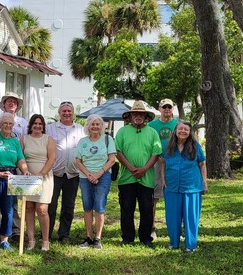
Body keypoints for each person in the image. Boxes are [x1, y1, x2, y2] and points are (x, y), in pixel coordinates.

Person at [115, 100, 161, 247]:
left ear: (145, 116)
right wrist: (130, 167)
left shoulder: (152, 132)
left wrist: (144, 169)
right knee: (127, 208)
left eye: (141, 113)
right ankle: (127, 237)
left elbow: (156, 153)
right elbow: (118, 151)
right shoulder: (122, 131)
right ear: (130, 116)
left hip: (146, 178)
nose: (138, 116)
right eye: (135, 113)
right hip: (127, 178)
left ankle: (146, 238)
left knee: (147, 209)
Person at [160, 120, 208, 252]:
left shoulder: (195, 146)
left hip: (191, 187)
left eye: (186, 129)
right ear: (175, 131)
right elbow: (162, 162)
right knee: (172, 217)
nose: (183, 131)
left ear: (189, 132)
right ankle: (173, 243)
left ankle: (190, 245)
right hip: (171, 186)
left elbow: (202, 164)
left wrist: (204, 183)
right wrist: (163, 179)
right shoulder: (167, 146)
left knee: (191, 217)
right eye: (180, 129)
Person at [0, 113, 30, 251]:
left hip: (11, 176)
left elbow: (20, 159)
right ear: (0, 125)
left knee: (9, 209)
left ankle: (5, 239)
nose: (8, 126)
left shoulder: (15, 141)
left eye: (10, 124)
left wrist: (25, 171)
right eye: (5, 123)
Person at [74, 114, 116, 250]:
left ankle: (97, 238)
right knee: (87, 207)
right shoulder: (82, 141)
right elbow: (78, 161)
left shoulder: (108, 140)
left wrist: (98, 174)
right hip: (85, 177)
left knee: (99, 207)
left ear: (102, 126)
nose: (95, 126)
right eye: (92, 124)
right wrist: (89, 174)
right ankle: (88, 237)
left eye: (98, 124)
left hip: (103, 177)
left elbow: (111, 160)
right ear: (88, 126)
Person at [47, 101, 86, 243]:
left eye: (69, 111)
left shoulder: (80, 129)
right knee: (50, 205)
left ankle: (64, 234)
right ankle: (47, 234)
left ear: (73, 113)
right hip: (54, 173)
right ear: (59, 113)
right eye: (64, 111)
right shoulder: (50, 128)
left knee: (68, 206)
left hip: (73, 173)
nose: (67, 113)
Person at [20, 114, 56, 252]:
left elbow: (52, 158)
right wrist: (26, 172)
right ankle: (30, 240)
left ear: (43, 126)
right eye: (35, 123)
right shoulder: (24, 139)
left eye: (40, 124)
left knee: (42, 209)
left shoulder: (48, 139)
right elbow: (20, 156)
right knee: (28, 208)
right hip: (27, 177)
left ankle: (45, 241)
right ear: (31, 125)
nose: (37, 126)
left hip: (44, 177)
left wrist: (41, 174)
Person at [149, 98, 178, 238]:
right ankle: (151, 228)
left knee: (174, 197)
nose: (167, 109)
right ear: (159, 109)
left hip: (173, 164)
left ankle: (175, 228)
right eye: (164, 107)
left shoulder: (178, 124)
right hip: (156, 163)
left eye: (169, 107)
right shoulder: (151, 125)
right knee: (154, 197)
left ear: (173, 109)